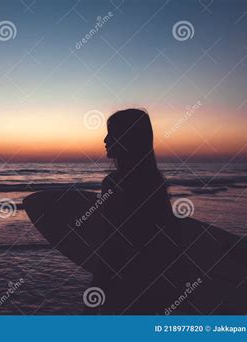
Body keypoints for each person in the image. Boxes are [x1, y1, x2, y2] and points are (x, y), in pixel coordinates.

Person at [91, 108, 180, 314]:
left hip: (121, 289)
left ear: (127, 138)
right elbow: (169, 238)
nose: (105, 139)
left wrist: (92, 298)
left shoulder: (114, 183)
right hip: (153, 290)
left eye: (111, 133)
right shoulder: (156, 183)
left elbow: (110, 247)